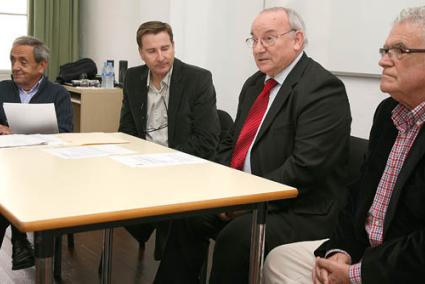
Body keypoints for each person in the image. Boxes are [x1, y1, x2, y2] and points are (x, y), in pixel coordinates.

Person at [153, 7, 351, 284]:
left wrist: (245, 202)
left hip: (298, 207)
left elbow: (305, 168)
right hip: (246, 196)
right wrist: (220, 189)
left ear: (297, 40)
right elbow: (231, 143)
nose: (258, 48)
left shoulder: (322, 89)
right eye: (253, 40)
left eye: (268, 39)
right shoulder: (255, 84)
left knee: (237, 237)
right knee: (189, 216)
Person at [263, 6, 425, 284]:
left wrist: (356, 274)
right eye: (384, 50)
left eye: (399, 50)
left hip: (401, 266)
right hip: (364, 250)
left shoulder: (319, 88)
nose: (384, 62)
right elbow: (360, 196)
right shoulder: (388, 114)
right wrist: (342, 250)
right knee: (280, 260)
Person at [118, 21, 220, 255]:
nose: (161, 57)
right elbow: (126, 131)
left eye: (166, 48)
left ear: (173, 46)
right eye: (152, 51)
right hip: (141, 168)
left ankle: (170, 256)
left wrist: (163, 163)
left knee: (171, 211)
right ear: (141, 53)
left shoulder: (198, 79)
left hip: (184, 169)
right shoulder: (133, 78)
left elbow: (207, 140)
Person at [0, 36, 73, 270]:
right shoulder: (1, 89)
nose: (15, 67)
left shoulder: (58, 94)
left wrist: (18, 135)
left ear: (42, 66)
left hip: (44, 171)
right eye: (13, 60)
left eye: (23, 61)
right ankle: (20, 239)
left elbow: (65, 134)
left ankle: (21, 239)